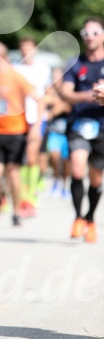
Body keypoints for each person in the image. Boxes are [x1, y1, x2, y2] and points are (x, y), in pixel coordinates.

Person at [0, 41, 43, 226]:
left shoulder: (15, 76)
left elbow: (39, 99)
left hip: (16, 131)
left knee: (13, 173)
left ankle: (16, 212)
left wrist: (36, 126)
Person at [61, 17, 104, 243]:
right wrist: (88, 95)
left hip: (102, 128)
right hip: (79, 124)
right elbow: (65, 93)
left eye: (95, 32)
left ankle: (90, 219)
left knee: (96, 180)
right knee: (77, 170)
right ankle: (78, 218)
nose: (90, 37)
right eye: (86, 33)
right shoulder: (75, 63)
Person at [13, 37, 52, 215]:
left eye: (29, 48)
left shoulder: (43, 69)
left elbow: (47, 93)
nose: (25, 51)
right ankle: (22, 197)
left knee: (31, 157)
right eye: (23, 48)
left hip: (37, 117)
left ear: (34, 49)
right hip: (19, 117)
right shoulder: (14, 68)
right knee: (19, 158)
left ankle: (31, 196)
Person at [45, 67, 71, 198]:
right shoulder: (48, 90)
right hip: (54, 132)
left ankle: (65, 185)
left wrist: (58, 106)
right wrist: (58, 106)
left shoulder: (68, 90)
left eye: (58, 76)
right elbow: (48, 109)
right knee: (55, 158)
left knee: (67, 161)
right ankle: (56, 180)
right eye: (54, 76)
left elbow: (68, 107)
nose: (56, 79)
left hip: (67, 132)